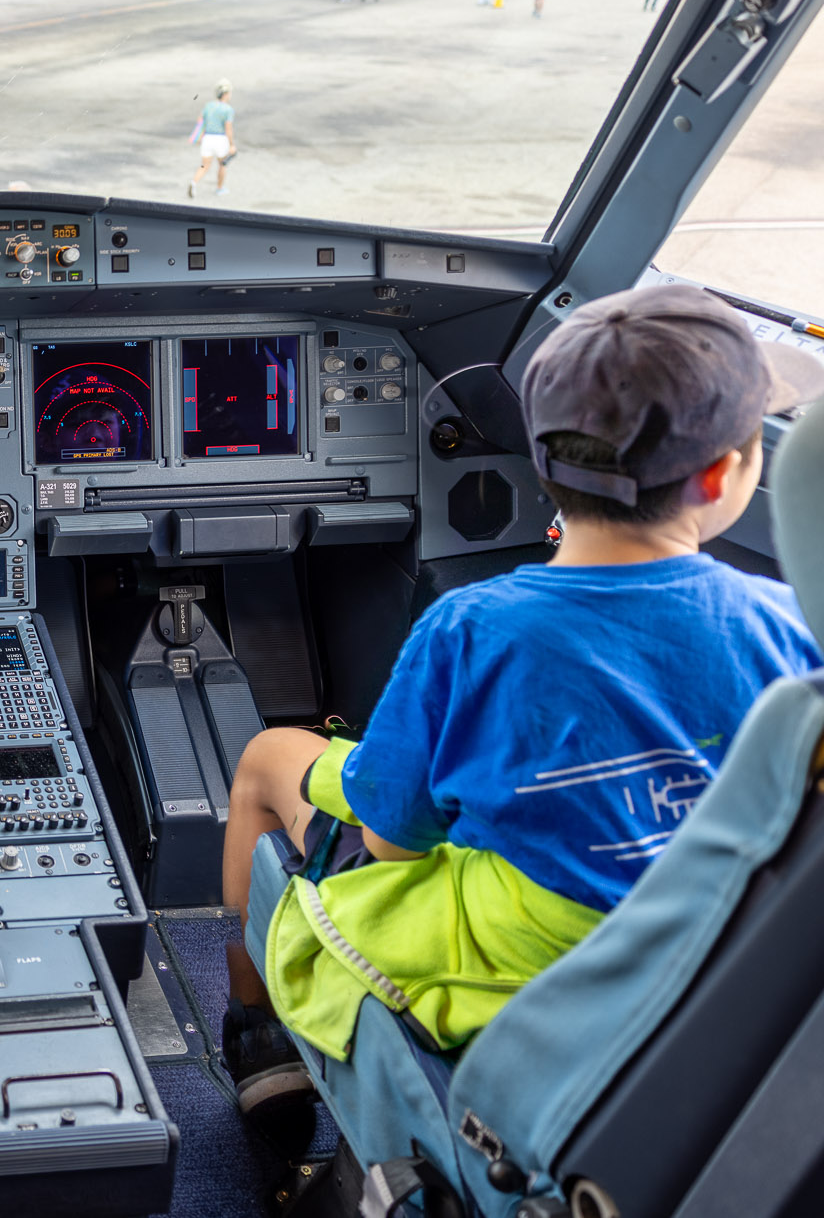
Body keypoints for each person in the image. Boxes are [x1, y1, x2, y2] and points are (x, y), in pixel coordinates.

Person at [216, 284, 824, 1127]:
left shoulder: (474, 630)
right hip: (702, 962)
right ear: (724, 475)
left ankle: (259, 1042)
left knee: (270, 759)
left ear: (538, 460)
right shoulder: (786, 624)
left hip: (527, 966)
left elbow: (391, 841)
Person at [186, 79, 235, 199]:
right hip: (220, 139)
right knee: (222, 165)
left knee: (204, 165)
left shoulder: (209, 106)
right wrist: (232, 144)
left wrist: (200, 135)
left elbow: (200, 121)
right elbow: (228, 129)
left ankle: (194, 182)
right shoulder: (228, 109)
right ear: (225, 94)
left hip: (207, 138)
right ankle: (220, 188)